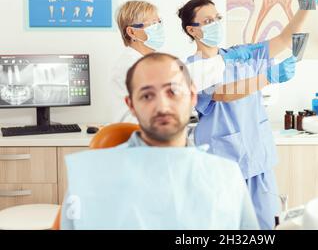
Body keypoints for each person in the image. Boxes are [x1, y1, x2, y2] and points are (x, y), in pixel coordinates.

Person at [178, 0, 318, 229]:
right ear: (193, 30)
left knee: (266, 226)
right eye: (208, 20)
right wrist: (268, 77)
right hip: (223, 164)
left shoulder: (240, 54)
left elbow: (283, 38)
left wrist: (306, 6)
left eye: (218, 18)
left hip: (257, 159)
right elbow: (223, 93)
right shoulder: (193, 68)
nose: (216, 23)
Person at [60, 53, 259, 229]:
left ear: (192, 96)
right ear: (131, 105)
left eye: (172, 91)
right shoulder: (91, 177)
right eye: (147, 95)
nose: (162, 106)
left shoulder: (225, 177)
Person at [111, 0, 259, 123]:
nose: (159, 27)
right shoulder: (131, 65)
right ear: (132, 32)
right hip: (139, 134)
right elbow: (177, 86)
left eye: (159, 22)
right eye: (152, 24)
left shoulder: (153, 60)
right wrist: (223, 59)